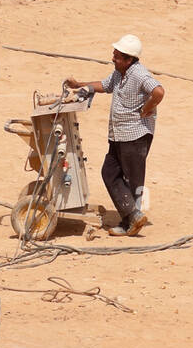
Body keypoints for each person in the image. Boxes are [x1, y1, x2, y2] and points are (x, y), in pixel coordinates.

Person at [65, 34, 164, 236]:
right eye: (114, 55)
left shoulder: (138, 74)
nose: (113, 59)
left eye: (117, 56)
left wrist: (147, 108)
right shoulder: (120, 72)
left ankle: (130, 222)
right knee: (109, 172)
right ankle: (133, 217)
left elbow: (159, 92)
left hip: (135, 136)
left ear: (129, 59)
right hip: (118, 135)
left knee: (132, 180)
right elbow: (105, 85)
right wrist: (81, 85)